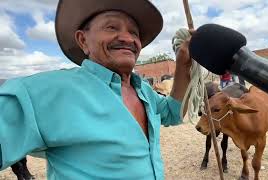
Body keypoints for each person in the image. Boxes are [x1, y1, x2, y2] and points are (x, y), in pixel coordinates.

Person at [0, 0, 192, 179]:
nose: (127, 38)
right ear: (83, 40)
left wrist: (183, 66)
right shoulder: (48, 91)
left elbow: (173, 113)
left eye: (134, 33)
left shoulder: (144, 91)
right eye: (111, 27)